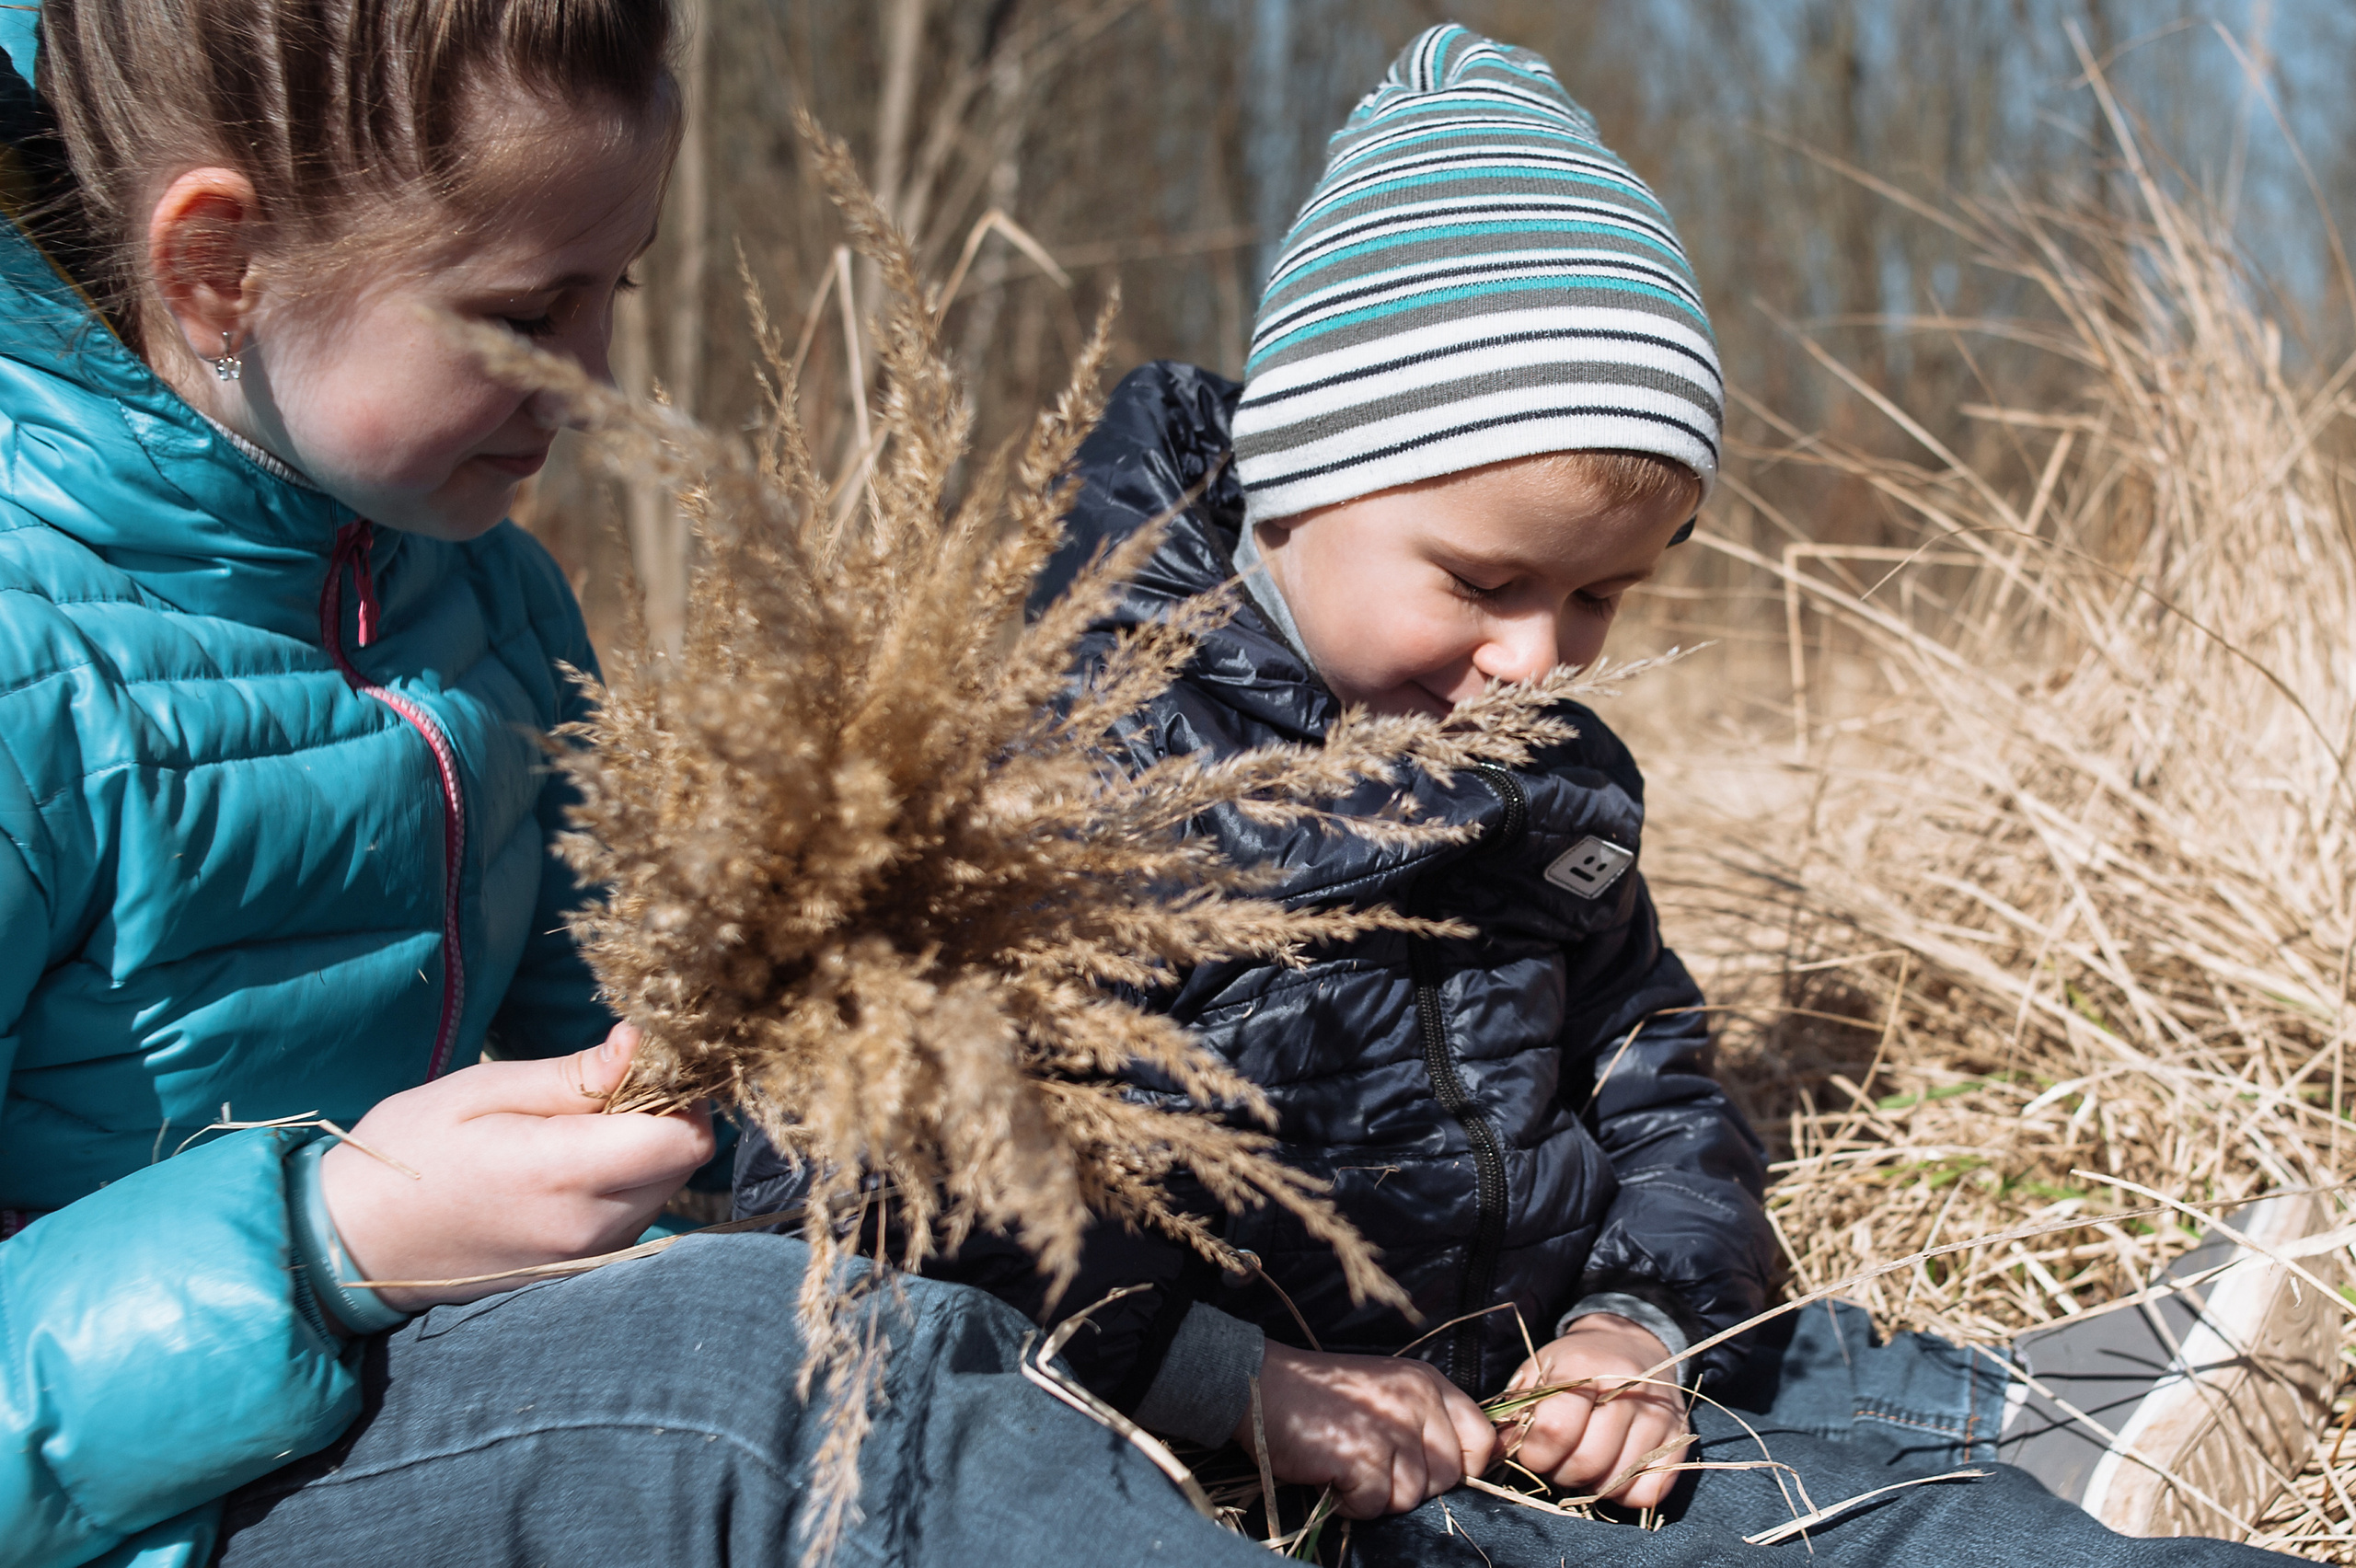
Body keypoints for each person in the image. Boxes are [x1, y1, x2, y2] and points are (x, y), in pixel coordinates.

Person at [738, 23, 2321, 1562]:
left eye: (1600, 601)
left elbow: (1650, 1063)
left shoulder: (1546, 776)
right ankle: (2013, 1498)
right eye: (1484, 579)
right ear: (1295, 481)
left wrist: (1637, 1321)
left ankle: (2038, 1403)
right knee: (1760, 1524)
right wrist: (1229, 1380)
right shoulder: (1071, 751)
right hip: (1247, 1431)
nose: (1534, 657)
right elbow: (894, 1174)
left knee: (1788, 1358)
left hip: (1523, 1350)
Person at [0, 6, 1280, 1567]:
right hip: (155, 1498)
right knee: (767, 1399)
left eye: (619, 288)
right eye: (528, 313)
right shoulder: (32, 659)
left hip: (428, 1375)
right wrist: (329, 1243)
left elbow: (609, 1056)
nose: (599, 379)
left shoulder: (488, 604)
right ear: (220, 270)